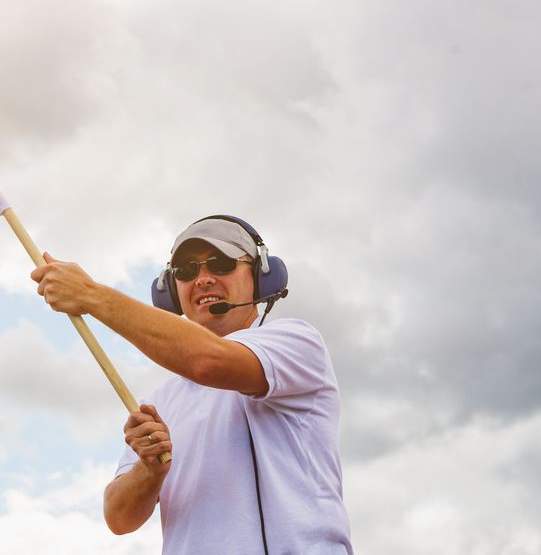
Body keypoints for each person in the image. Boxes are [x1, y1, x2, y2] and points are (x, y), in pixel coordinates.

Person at [30, 215, 352, 554]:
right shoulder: (162, 400)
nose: (203, 279)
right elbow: (118, 517)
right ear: (170, 291)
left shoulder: (297, 342)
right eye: (186, 272)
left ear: (261, 276)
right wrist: (149, 472)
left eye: (221, 263)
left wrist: (93, 297)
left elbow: (207, 361)